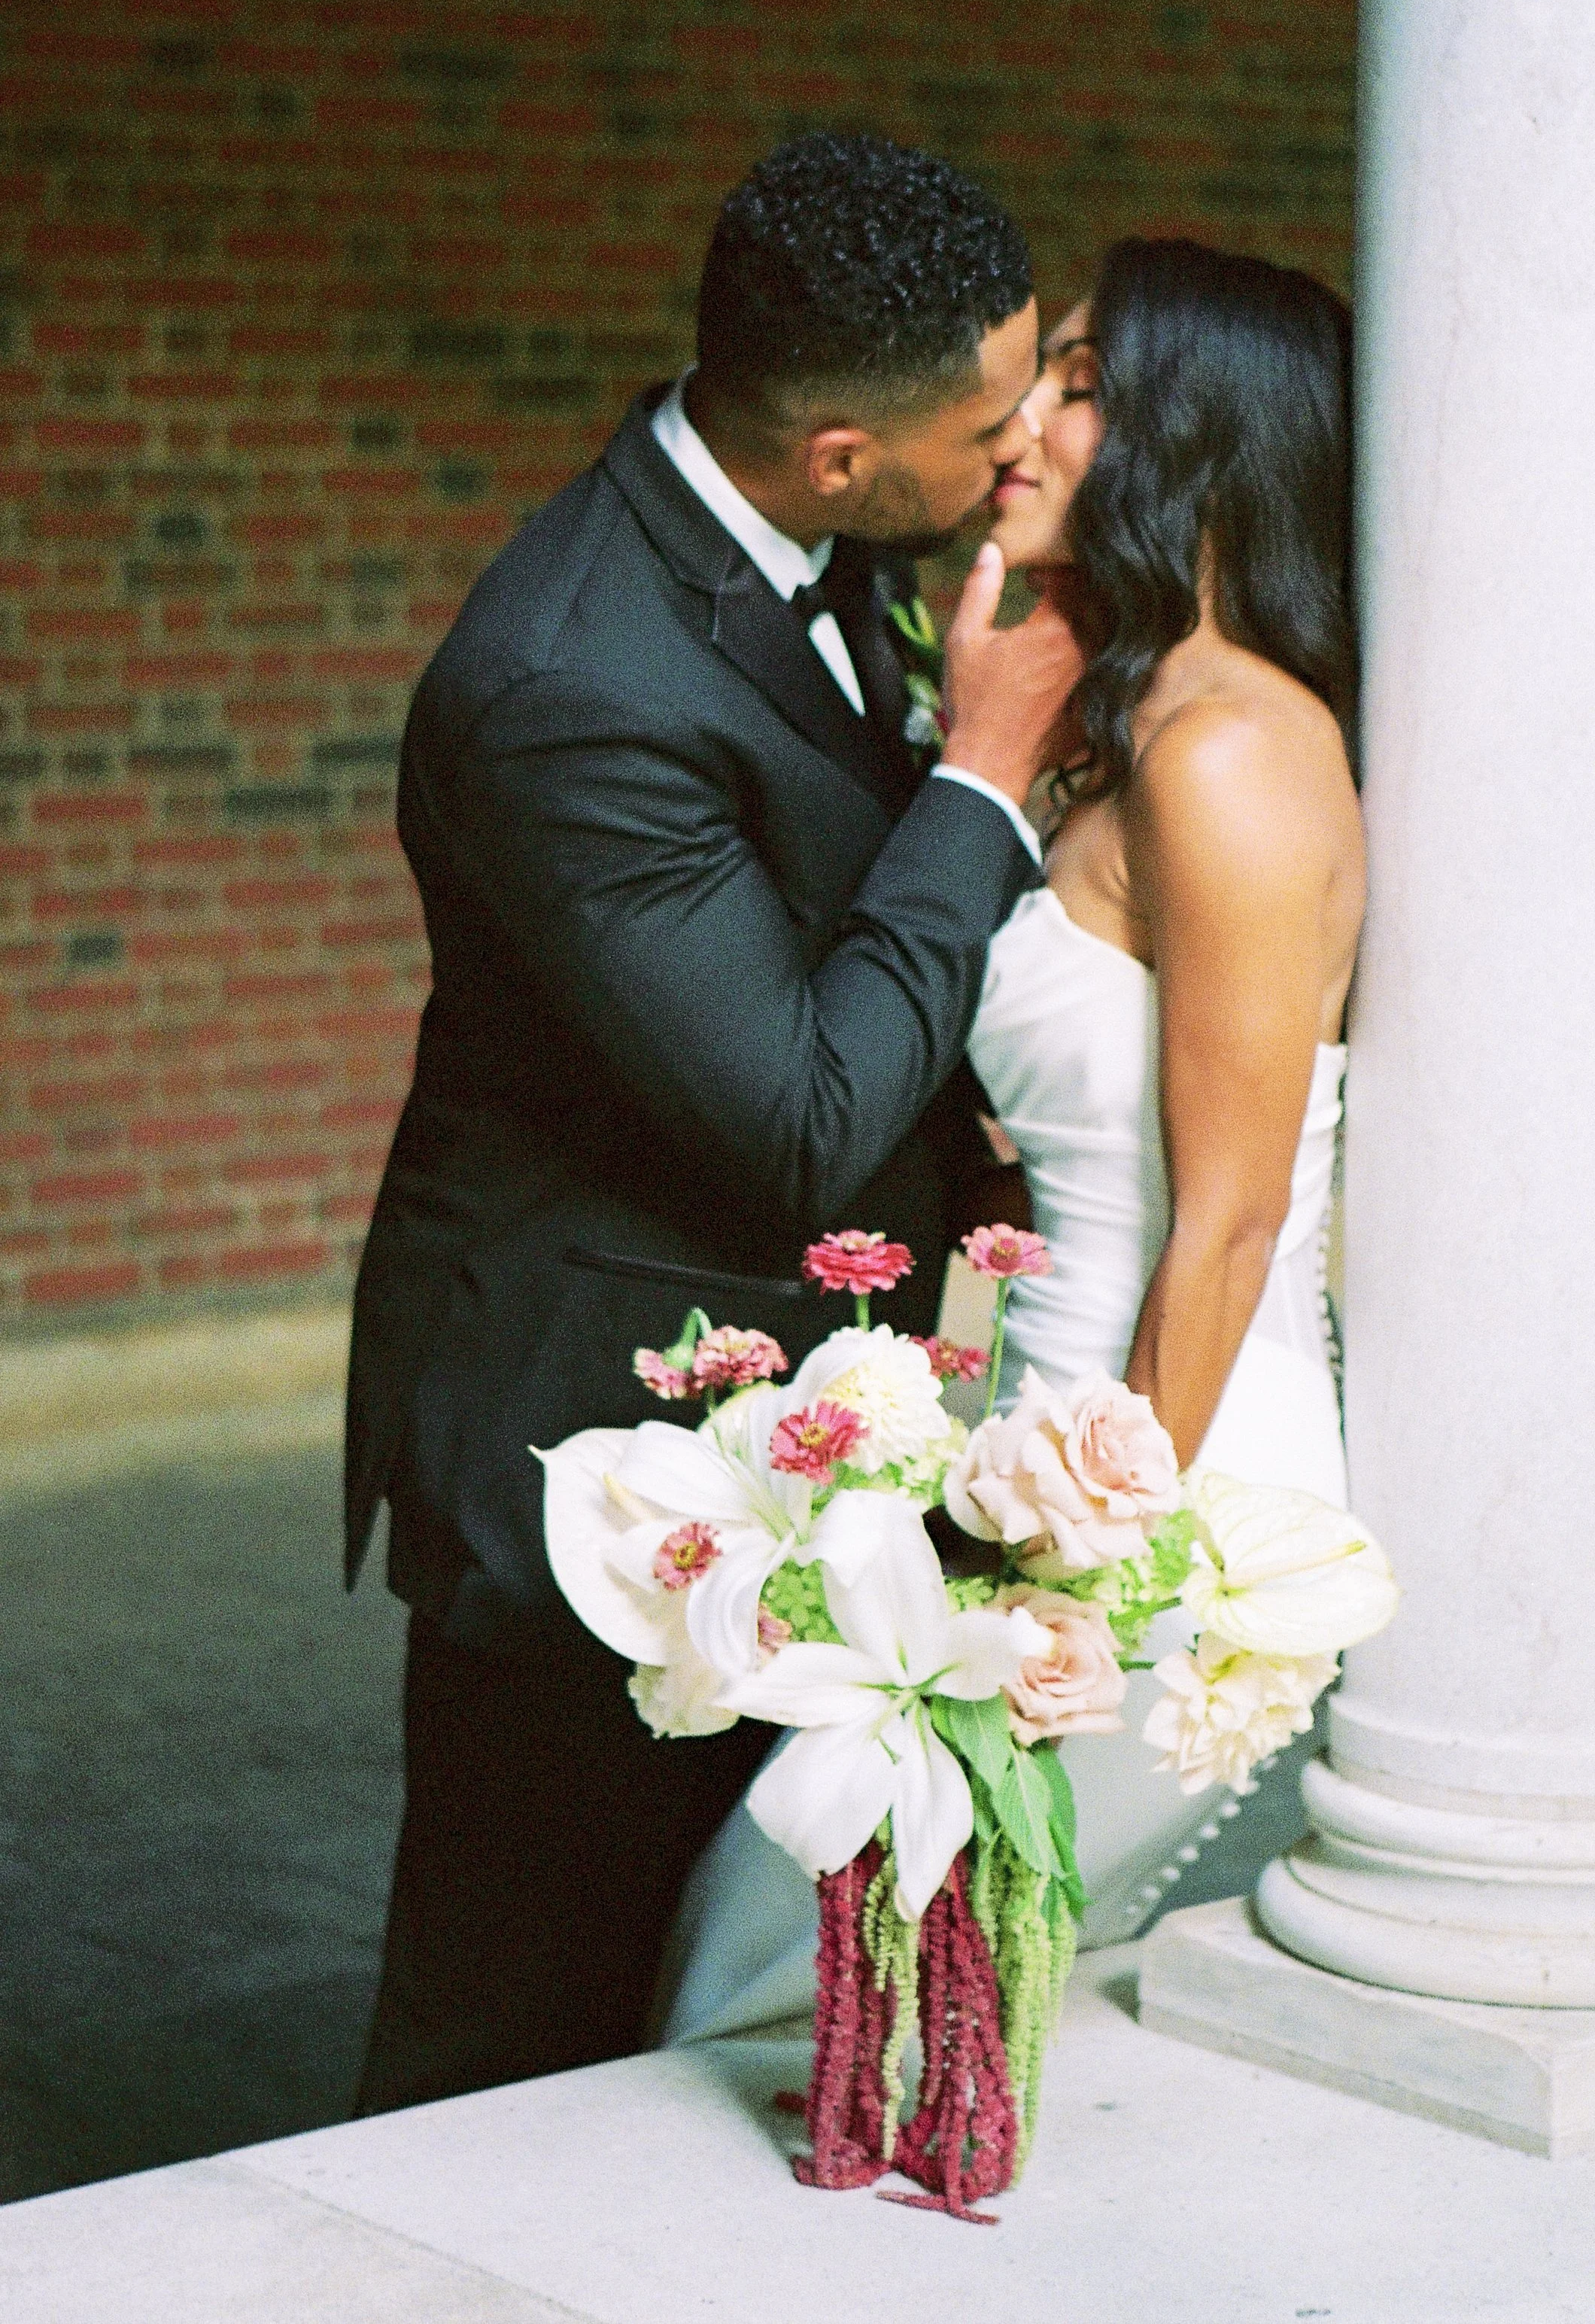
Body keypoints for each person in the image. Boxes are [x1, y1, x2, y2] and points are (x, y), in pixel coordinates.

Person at [346, 133, 1084, 2113]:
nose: (1018, 447)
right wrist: (990, 766)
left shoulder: (835, 547)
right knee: (511, 2027)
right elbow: (791, 1115)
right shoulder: (571, 680)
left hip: (774, 1409)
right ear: (838, 451)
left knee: (693, 1986)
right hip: (584, 1442)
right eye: (986, 418)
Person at [659, 236, 1364, 2037]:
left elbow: (1233, 1212)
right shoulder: (1120, 736)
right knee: (840, 1997)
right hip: (1040, 1440)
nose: (1020, 424)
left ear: (1200, 435)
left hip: (1178, 1505)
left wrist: (1085, 1575)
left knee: (794, 1983)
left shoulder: (1232, 755)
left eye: (1078, 381)